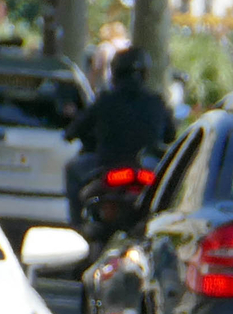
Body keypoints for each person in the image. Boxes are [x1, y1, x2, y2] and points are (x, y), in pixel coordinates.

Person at [64, 46, 172, 223]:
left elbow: (74, 130)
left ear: (115, 73)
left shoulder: (105, 100)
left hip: (110, 168)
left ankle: (77, 226)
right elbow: (170, 135)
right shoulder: (157, 102)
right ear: (145, 73)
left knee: (72, 169)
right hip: (145, 171)